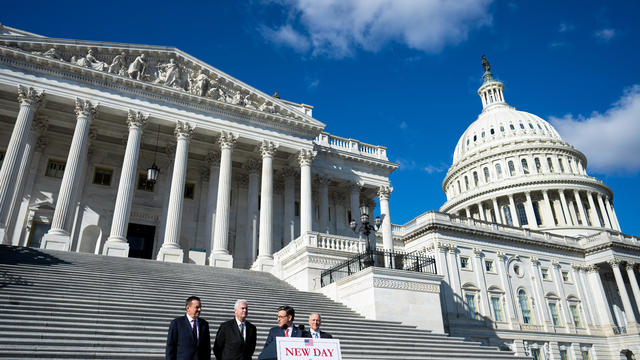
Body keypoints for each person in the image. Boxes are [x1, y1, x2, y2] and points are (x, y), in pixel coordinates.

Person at [166, 296, 211, 360]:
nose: (200, 310)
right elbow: (170, 346)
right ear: (188, 308)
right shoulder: (176, 323)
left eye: (200, 307)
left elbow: (207, 347)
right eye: (197, 307)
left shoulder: (204, 324)